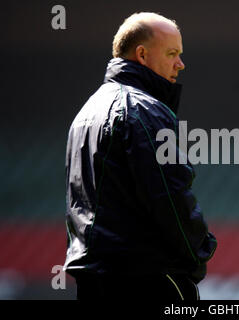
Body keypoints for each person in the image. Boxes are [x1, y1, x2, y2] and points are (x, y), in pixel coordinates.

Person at [64, 12, 217, 301]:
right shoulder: (143, 111)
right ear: (143, 55)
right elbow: (170, 198)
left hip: (93, 282)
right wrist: (200, 253)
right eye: (172, 53)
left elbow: (75, 204)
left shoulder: (84, 114)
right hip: (147, 281)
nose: (181, 64)